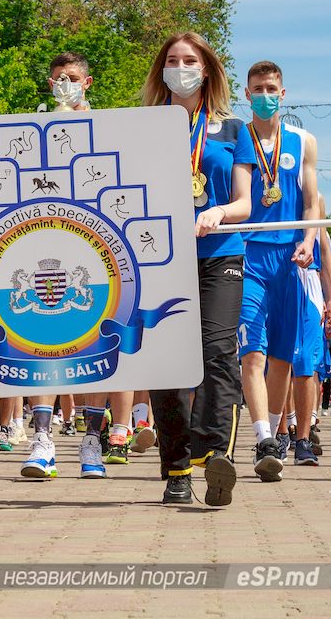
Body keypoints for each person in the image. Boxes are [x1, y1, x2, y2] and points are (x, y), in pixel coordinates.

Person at [135, 34, 253, 506]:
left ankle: (214, 454)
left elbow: (245, 203)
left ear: (207, 70)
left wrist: (219, 212)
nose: (179, 68)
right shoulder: (143, 126)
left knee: (217, 350)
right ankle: (177, 468)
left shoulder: (231, 128)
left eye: (189, 61)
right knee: (164, 362)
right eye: (171, 61)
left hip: (220, 253)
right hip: (159, 257)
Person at [237, 59, 329, 477]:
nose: (265, 96)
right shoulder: (239, 137)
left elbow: (311, 202)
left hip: (291, 257)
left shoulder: (303, 141)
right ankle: (261, 436)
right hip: (249, 253)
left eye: (272, 88)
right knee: (252, 351)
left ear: (283, 93)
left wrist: (309, 241)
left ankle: (273, 436)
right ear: (247, 94)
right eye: (258, 89)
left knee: (282, 356)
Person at [20, 51, 100, 480]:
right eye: (56, 79)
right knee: (41, 339)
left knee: (96, 345)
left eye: (70, 78)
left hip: (96, 246)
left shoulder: (108, 126)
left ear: (86, 83)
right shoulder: (32, 128)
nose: (63, 85)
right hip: (45, 241)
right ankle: (42, 440)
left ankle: (92, 441)